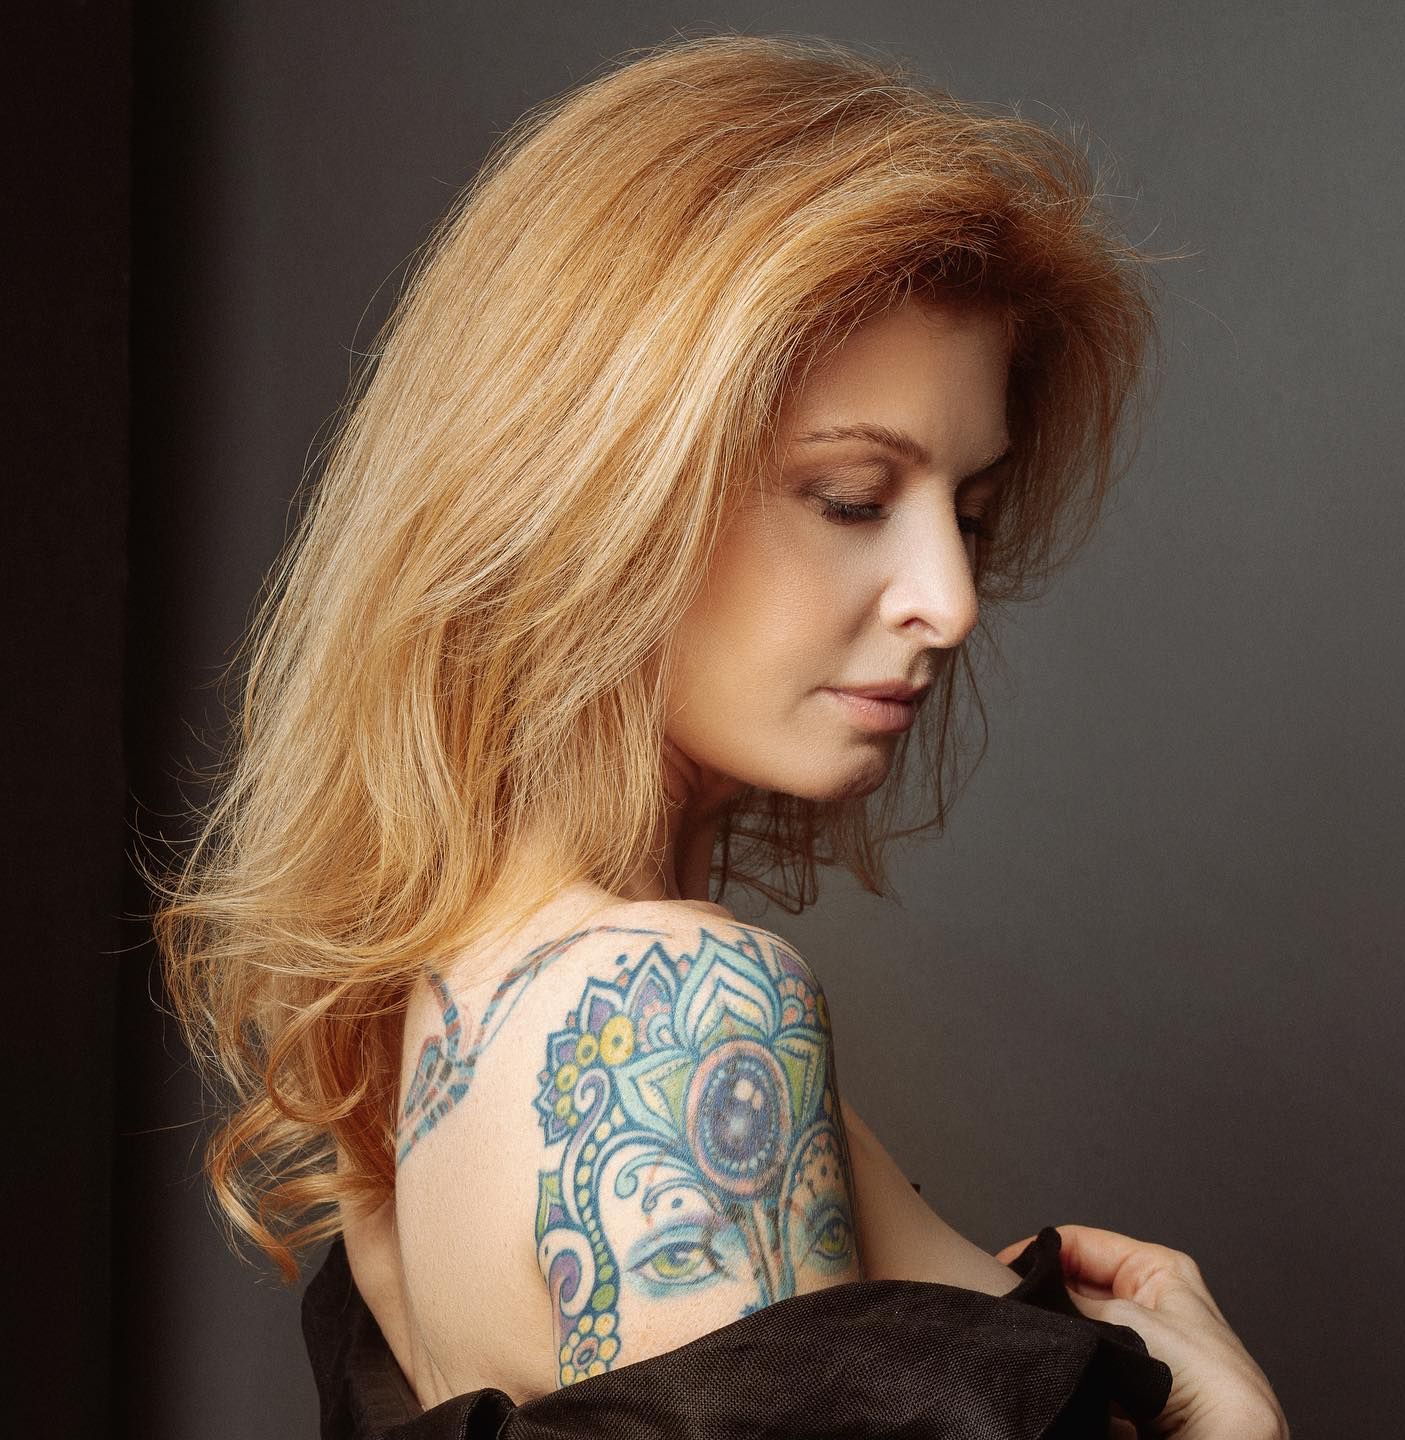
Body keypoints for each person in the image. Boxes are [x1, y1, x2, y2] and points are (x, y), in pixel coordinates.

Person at [150, 31, 1288, 1439]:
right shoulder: (681, 1016)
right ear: (595, 487)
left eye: (972, 515)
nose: (949, 601)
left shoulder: (425, 1030)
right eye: (854, 498)